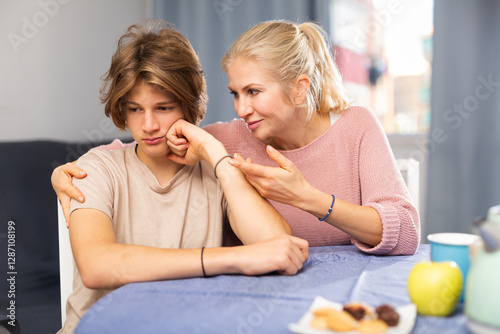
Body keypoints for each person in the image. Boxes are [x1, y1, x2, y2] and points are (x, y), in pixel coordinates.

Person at [53, 20, 419, 258]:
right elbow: (149, 143)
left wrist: (307, 197)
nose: (242, 108)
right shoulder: (232, 139)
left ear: (299, 88)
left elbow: (406, 233)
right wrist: (69, 171)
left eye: (254, 91)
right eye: (235, 94)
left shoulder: (356, 127)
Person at [56, 20, 309, 334]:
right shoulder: (95, 168)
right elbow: (97, 267)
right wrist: (230, 259)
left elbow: (277, 247)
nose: (148, 125)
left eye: (163, 108)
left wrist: (216, 156)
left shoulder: (215, 172)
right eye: (135, 109)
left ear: (190, 106)